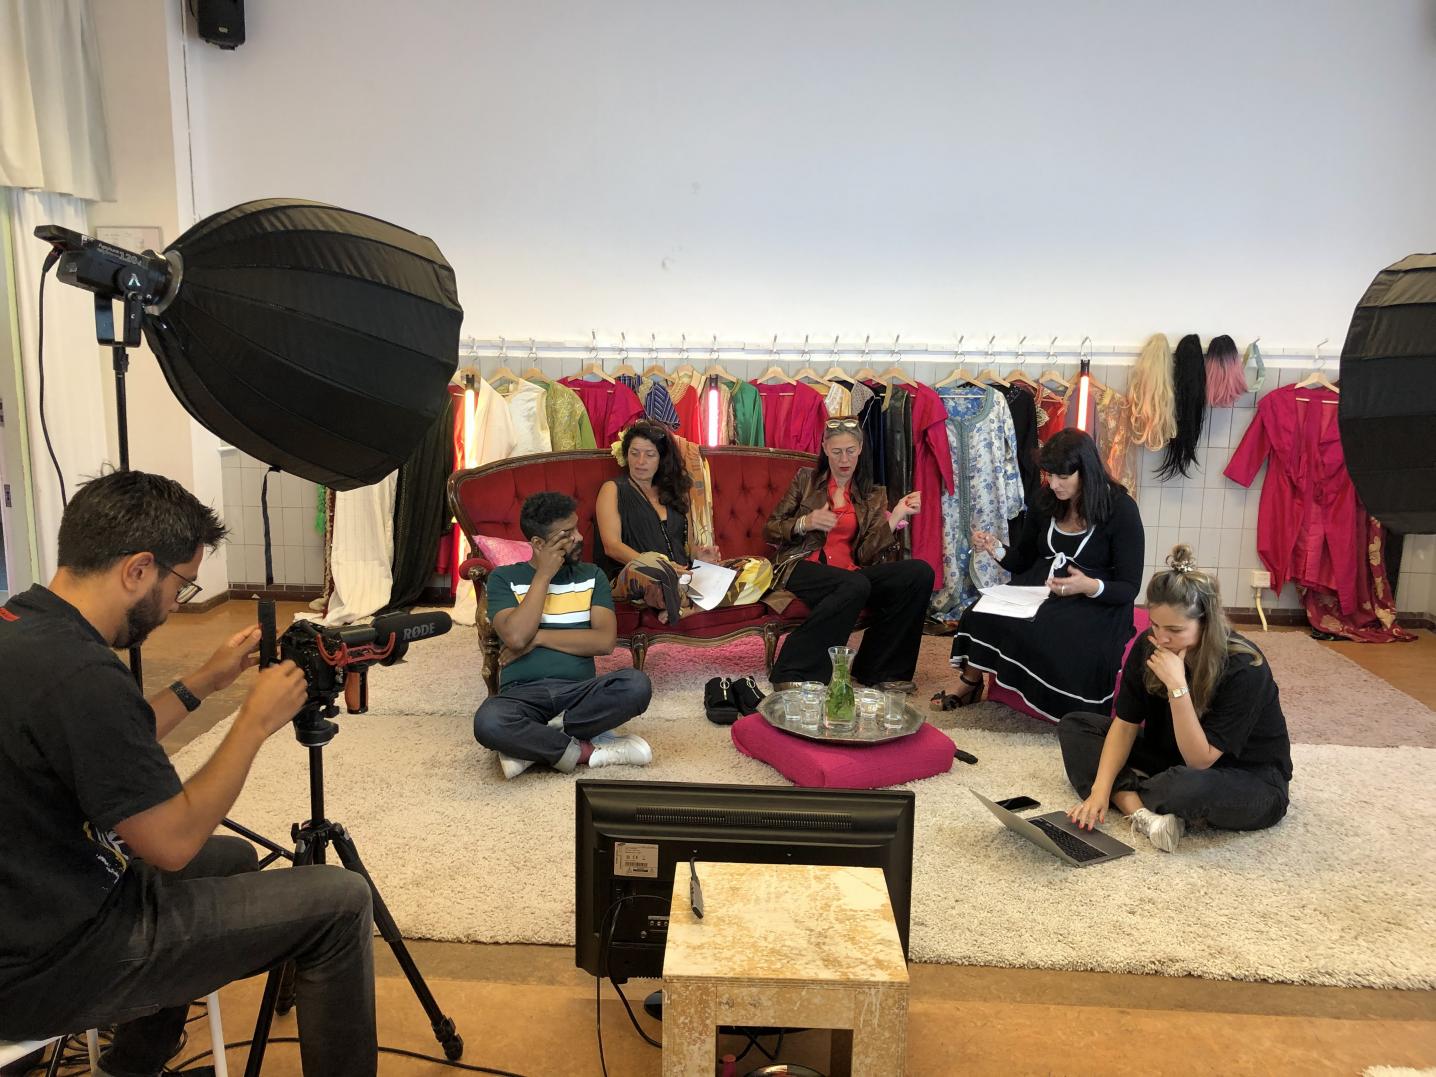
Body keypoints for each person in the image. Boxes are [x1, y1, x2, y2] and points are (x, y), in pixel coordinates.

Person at [0, 470, 376, 1077]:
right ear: (138, 569)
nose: (179, 602)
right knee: (339, 901)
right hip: (47, 965)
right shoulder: (84, 674)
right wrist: (252, 722)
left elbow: (106, 745)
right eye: (182, 583)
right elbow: (172, 844)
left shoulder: (27, 625)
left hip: (33, 902)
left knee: (229, 858)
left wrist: (205, 681)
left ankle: (134, 1066)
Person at [1060, 545, 1294, 853]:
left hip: (1247, 775)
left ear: (1206, 623)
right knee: (1076, 726)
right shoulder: (1150, 644)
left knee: (1185, 786)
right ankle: (1142, 812)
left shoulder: (1245, 667)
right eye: (1155, 625)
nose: (1162, 638)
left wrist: (1177, 687)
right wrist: (1098, 792)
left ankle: (1134, 797)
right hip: (1170, 755)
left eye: (1175, 629)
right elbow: (1126, 723)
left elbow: (1200, 761)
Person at [946, 428, 1144, 721]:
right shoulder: (1045, 499)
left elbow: (1129, 587)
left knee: (1050, 629)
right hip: (1040, 587)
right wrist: (995, 548)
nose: (1053, 484)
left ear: (1086, 472)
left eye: (1063, 477)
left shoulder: (1121, 509)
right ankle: (970, 683)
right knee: (980, 610)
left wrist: (1087, 586)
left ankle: (1069, 709)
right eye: (1049, 475)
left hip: (1096, 600)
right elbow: (1023, 559)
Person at [474, 491, 654, 779]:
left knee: (636, 685)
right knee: (488, 722)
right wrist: (543, 575)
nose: (579, 538)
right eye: (566, 534)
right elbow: (517, 637)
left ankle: (534, 746)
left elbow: (604, 642)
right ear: (538, 543)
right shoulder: (503, 579)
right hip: (522, 696)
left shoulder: (591, 575)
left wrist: (540, 639)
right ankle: (587, 752)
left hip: (579, 694)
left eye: (577, 528)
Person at [763, 415, 931, 689]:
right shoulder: (805, 480)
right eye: (837, 451)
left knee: (918, 573)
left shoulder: (872, 495)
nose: (844, 459)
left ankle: (880, 672)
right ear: (825, 448)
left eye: (851, 451)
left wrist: (897, 514)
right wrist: (806, 523)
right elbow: (770, 529)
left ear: (861, 450)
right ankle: (793, 671)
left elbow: (865, 555)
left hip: (850, 575)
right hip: (800, 566)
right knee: (855, 583)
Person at [595, 419, 771, 623]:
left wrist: (699, 556)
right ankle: (688, 596)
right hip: (639, 575)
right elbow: (612, 546)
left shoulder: (673, 491)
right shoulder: (613, 489)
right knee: (651, 564)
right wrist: (663, 566)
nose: (640, 461)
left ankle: (690, 608)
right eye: (634, 453)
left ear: (662, 459)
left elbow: (683, 548)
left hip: (684, 576)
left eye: (650, 455)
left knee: (759, 567)